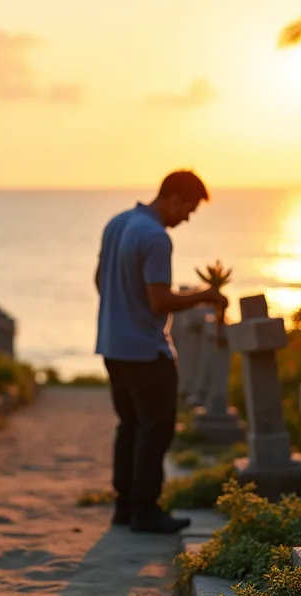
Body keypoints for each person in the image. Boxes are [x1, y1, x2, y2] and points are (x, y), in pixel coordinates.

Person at [94, 170, 227, 534]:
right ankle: (146, 510)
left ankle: (125, 507)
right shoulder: (155, 237)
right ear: (173, 199)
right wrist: (204, 295)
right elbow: (159, 301)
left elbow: (98, 280)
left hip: (112, 344)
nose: (187, 217)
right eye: (189, 209)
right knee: (156, 429)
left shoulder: (117, 223)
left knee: (130, 426)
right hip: (145, 350)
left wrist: (122, 305)